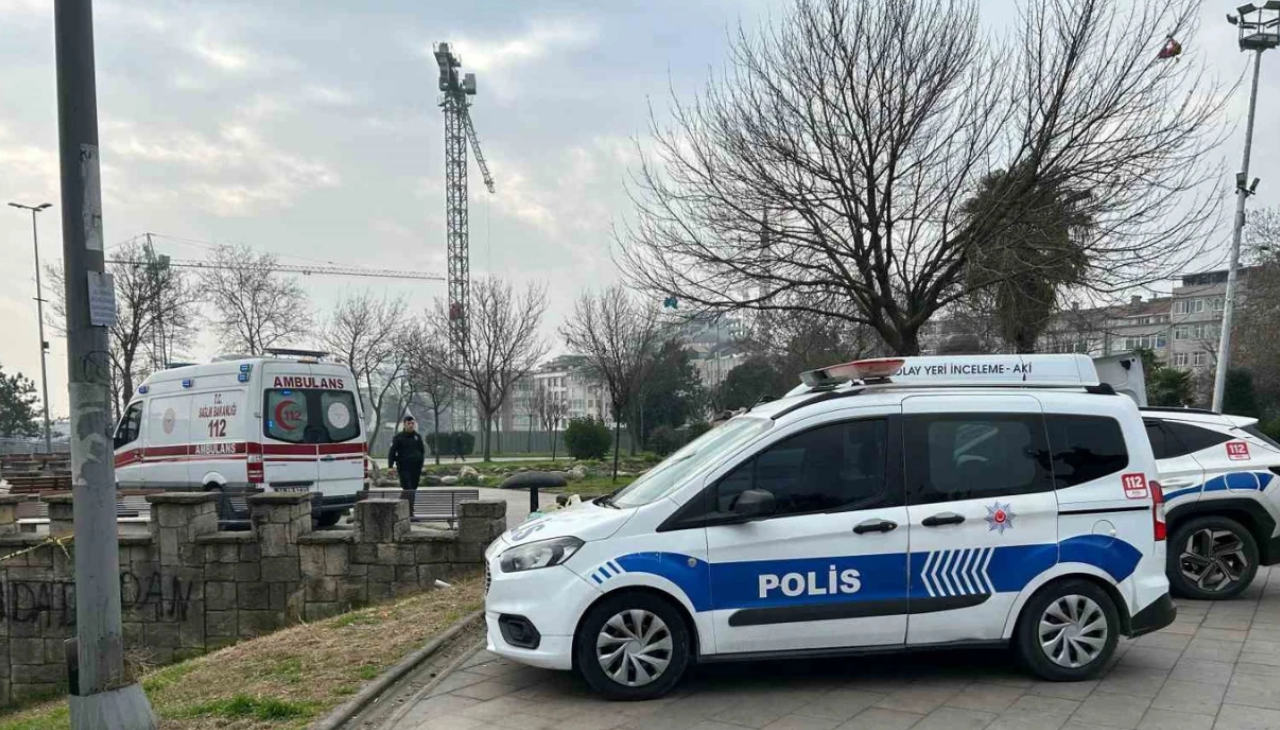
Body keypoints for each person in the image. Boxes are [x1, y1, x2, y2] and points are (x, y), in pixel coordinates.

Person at [387, 415, 426, 512]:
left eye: (413, 423)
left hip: (416, 468)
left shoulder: (417, 437)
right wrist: (390, 466)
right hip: (404, 468)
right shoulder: (398, 437)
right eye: (409, 423)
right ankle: (410, 512)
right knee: (408, 488)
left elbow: (421, 451)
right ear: (404, 424)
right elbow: (392, 452)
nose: (411, 425)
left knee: (412, 489)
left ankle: (399, 508)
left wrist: (421, 464)